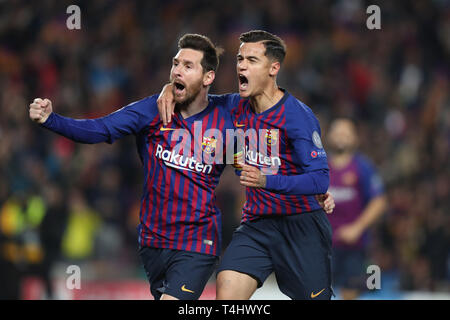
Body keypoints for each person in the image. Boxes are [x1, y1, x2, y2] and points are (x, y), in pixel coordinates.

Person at [29, 33, 335, 300]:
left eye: (188, 66)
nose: (241, 65)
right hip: (157, 239)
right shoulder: (157, 109)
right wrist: (51, 120)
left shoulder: (231, 111)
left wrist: (308, 188)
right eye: (175, 64)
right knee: (225, 286)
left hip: (203, 240)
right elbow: (100, 129)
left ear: (207, 78)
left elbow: (311, 171)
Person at [158, 30, 335, 300]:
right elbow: (195, 101)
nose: (241, 65)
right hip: (257, 224)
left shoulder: (298, 117)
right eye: (240, 58)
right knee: (227, 286)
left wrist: (267, 181)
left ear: (273, 68)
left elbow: (320, 180)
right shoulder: (233, 107)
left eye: (252, 60)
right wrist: (170, 88)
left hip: (302, 226)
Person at [326, 118, 387, 300]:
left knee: (350, 292)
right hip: (322, 245)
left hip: (353, 247)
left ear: (355, 139)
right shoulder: (318, 166)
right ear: (329, 136)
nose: (341, 137)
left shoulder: (363, 167)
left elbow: (379, 201)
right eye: (337, 132)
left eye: (346, 133)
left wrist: (357, 228)